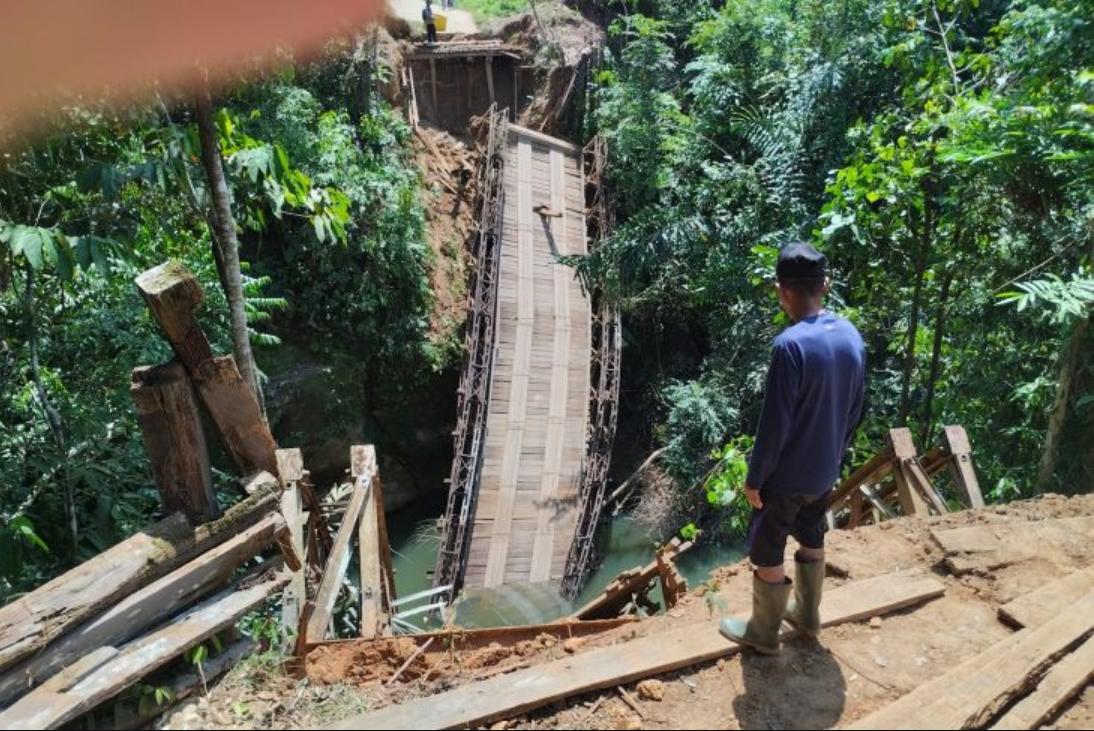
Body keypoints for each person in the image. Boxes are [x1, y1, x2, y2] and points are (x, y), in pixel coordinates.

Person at [720, 242, 865, 655]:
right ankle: (807, 616)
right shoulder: (851, 335)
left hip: (786, 476)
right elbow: (855, 409)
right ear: (826, 285)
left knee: (768, 547)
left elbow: (775, 425)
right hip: (824, 470)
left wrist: (755, 478)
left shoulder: (790, 346)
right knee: (811, 533)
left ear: (782, 291)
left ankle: (763, 633)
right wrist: (835, 455)